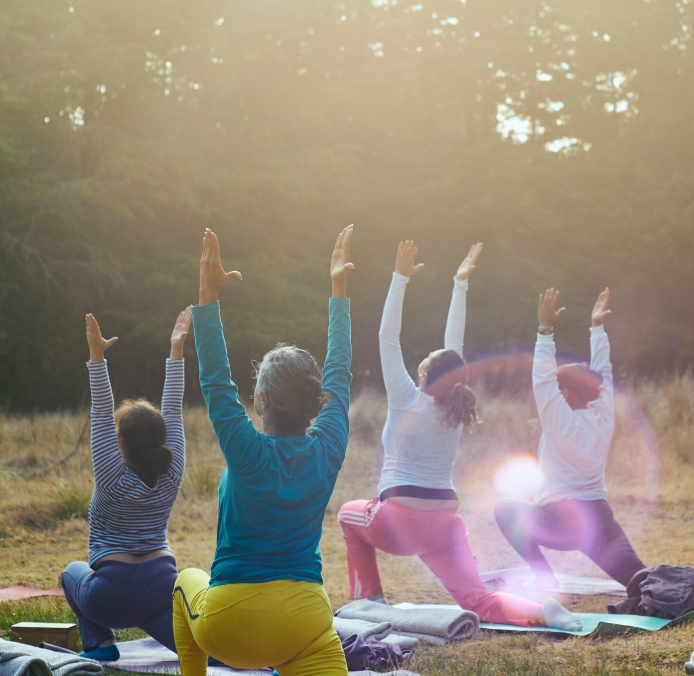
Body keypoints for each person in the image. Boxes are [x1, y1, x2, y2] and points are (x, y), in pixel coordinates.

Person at [338, 241, 581, 631]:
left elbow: (388, 337)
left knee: (348, 515)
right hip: (445, 523)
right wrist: (459, 284)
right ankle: (544, 610)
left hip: (398, 521)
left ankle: (370, 600)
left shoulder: (407, 399)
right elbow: (456, 349)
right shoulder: (454, 407)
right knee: (477, 599)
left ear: (422, 375)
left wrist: (399, 278)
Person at [173, 226, 354, 676]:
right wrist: (338, 289)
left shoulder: (246, 451)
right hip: (304, 626)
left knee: (182, 584)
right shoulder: (328, 447)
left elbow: (216, 381)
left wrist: (207, 295)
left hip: (228, 627)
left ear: (262, 401)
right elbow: (340, 372)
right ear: (315, 403)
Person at [60, 307, 192, 661]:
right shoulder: (173, 469)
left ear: (119, 443)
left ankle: (101, 645)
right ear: (162, 439)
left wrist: (97, 357)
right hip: (162, 589)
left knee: (70, 573)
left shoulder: (110, 476)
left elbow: (101, 411)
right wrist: (176, 351)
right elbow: (174, 408)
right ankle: (260, 656)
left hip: (110, 596)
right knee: (206, 652)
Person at [495, 287, 646, 590]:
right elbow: (604, 372)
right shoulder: (603, 415)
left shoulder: (559, 421)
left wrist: (545, 330)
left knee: (505, 510)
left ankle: (544, 579)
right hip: (600, 522)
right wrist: (597, 328)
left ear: (564, 393)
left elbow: (542, 379)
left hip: (560, 522)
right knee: (644, 581)